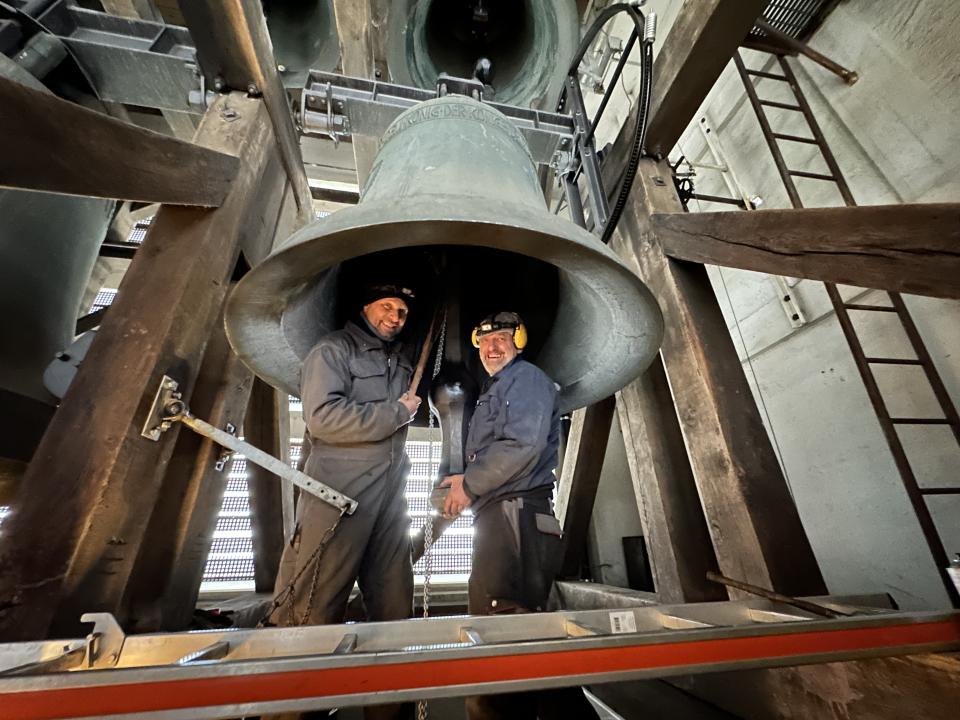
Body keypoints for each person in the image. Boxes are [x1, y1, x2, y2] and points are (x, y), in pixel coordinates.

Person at [268, 283, 421, 720]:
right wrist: (396, 412)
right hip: (339, 493)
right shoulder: (333, 350)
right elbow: (323, 417)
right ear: (365, 305)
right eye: (387, 307)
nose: (395, 316)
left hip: (390, 495)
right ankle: (297, 712)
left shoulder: (403, 357)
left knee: (394, 611)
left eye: (403, 312)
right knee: (316, 609)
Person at [439, 311, 599, 720]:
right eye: (486, 342)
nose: (493, 348)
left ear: (519, 342)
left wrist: (469, 485)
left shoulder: (524, 380)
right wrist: (462, 480)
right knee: (523, 630)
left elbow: (520, 445)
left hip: (515, 513)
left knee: (502, 625)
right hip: (508, 514)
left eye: (503, 340)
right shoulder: (500, 388)